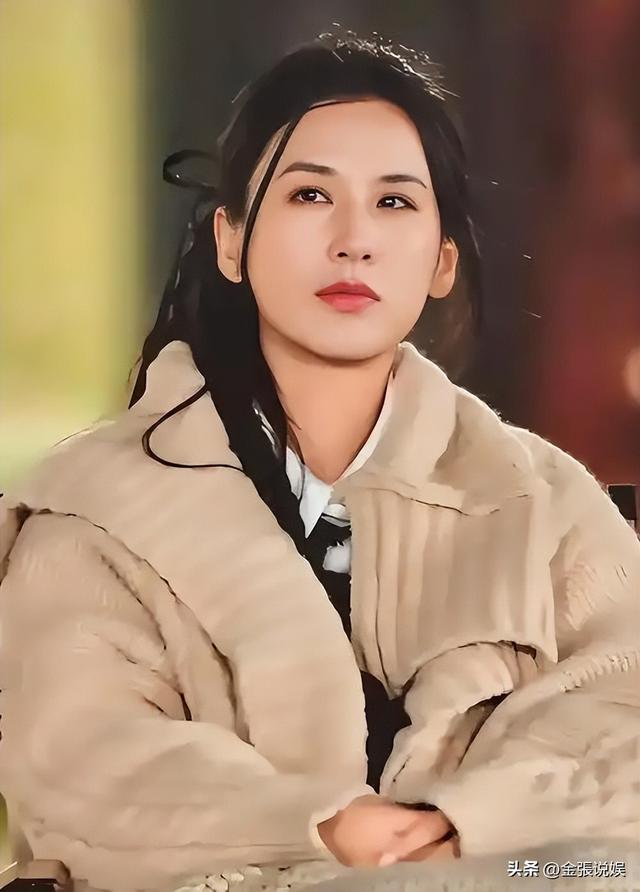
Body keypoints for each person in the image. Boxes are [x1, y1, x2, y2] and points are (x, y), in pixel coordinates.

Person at [1, 28, 639, 892]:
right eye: (309, 195)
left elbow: (624, 713)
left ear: (442, 261)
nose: (353, 240)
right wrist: (326, 828)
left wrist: (466, 828)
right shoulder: (96, 510)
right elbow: (78, 758)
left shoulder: (542, 502)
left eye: (395, 202)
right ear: (230, 241)